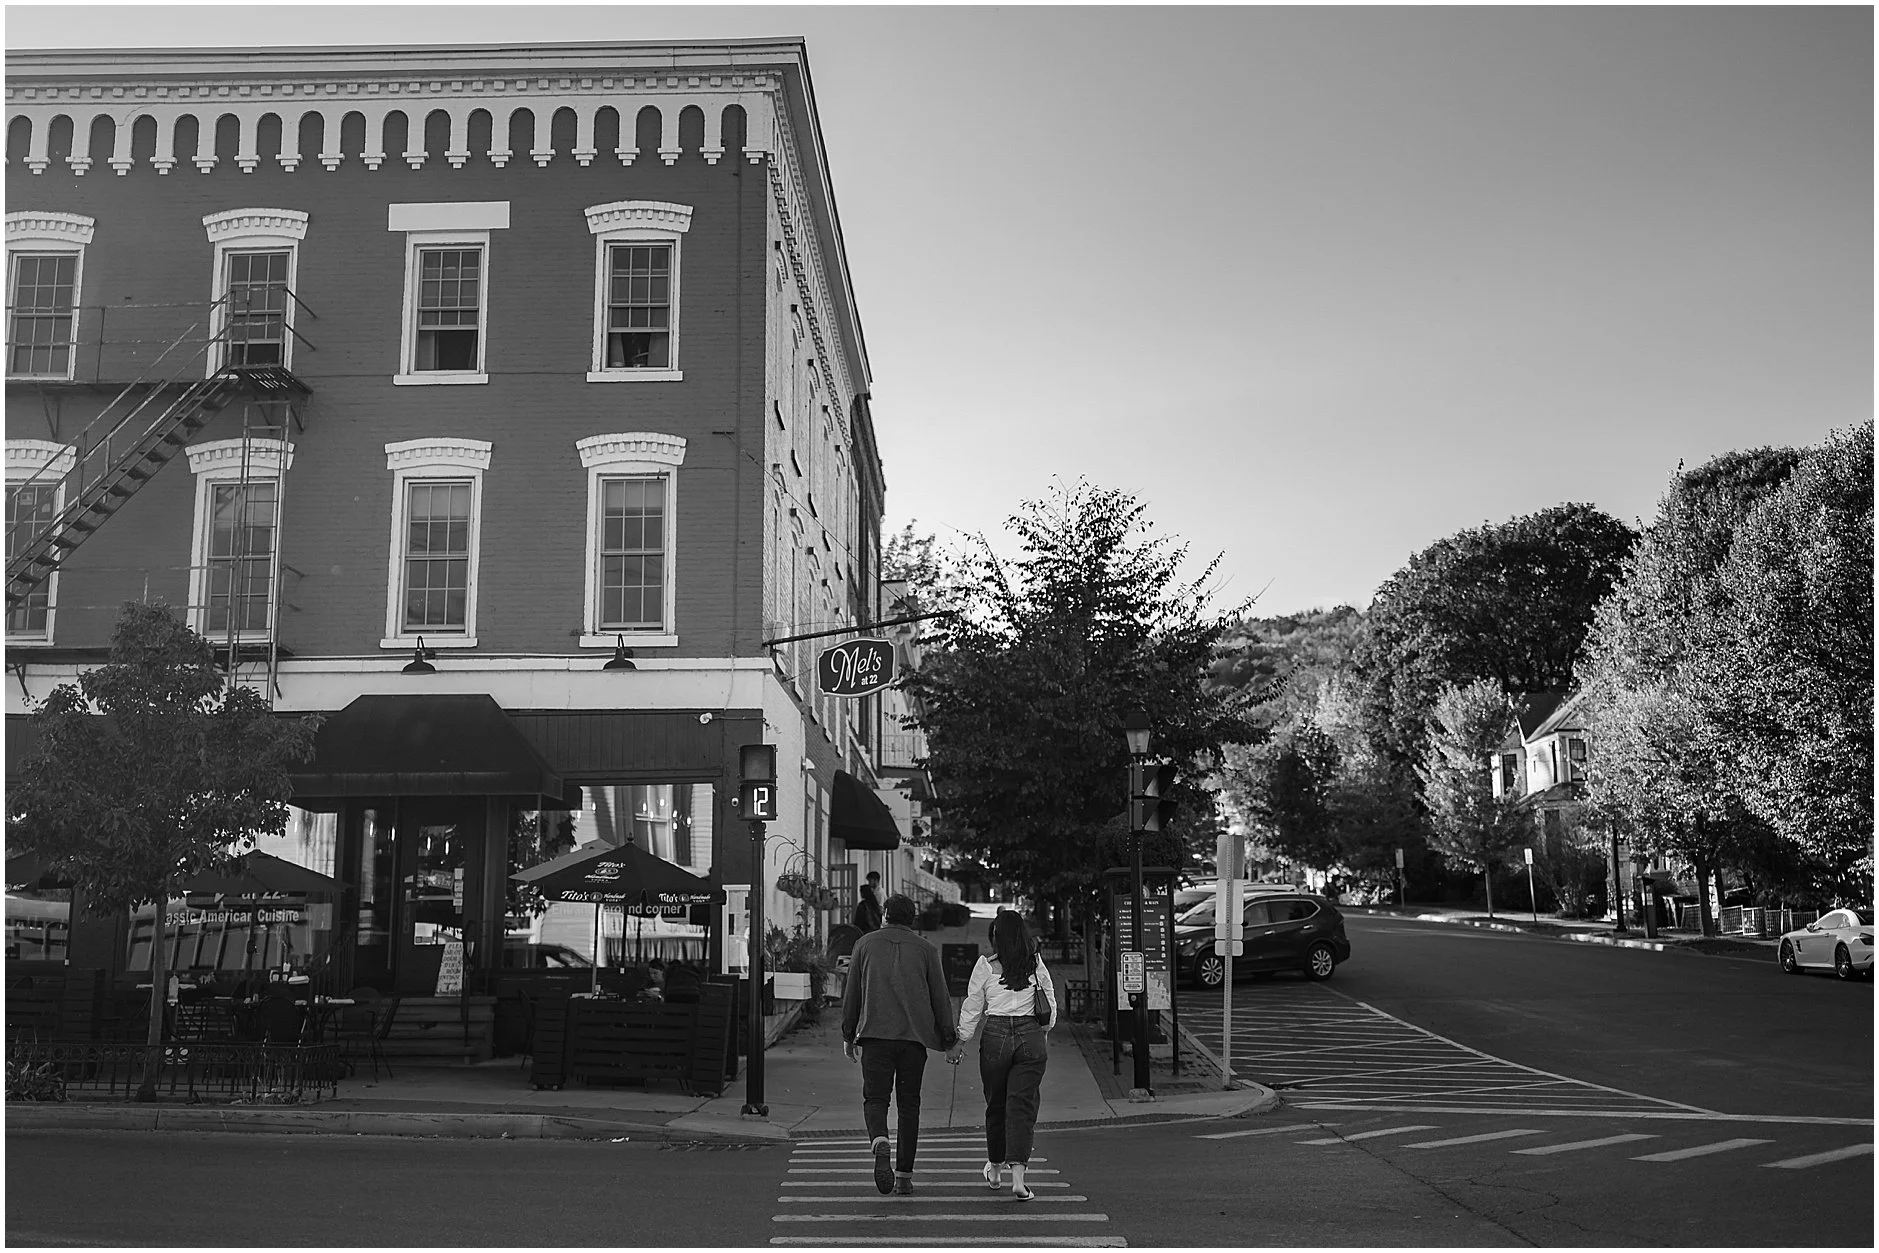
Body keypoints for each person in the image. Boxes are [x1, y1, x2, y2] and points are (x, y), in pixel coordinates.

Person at [840, 893, 957, 1196]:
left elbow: (852, 992)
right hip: (913, 1040)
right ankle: (904, 1175)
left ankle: (880, 1140)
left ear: (886, 915)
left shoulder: (864, 945)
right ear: (912, 918)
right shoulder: (927, 950)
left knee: (876, 1099)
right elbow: (940, 998)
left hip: (874, 1036)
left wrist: (848, 1033)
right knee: (909, 1104)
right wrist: (948, 1039)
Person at [947, 908, 1056, 1202]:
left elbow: (972, 1008)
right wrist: (1043, 1033)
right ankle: (1019, 1179)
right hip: (1030, 1036)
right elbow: (1049, 1002)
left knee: (996, 1104)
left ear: (995, 937)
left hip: (995, 1036)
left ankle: (995, 1169)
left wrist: (960, 1042)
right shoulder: (1035, 964)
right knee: (1021, 1108)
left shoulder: (985, 966)